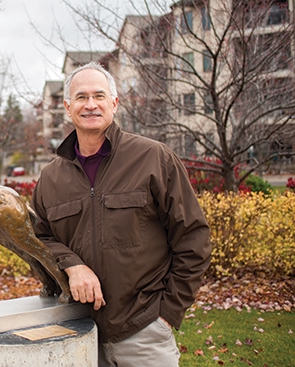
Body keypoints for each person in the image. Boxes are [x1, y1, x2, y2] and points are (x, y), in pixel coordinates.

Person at [32, 62, 211, 366]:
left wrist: (167, 313)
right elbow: (37, 239)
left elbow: (193, 237)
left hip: (144, 330)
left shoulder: (154, 158)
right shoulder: (50, 178)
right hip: (79, 333)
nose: (90, 105)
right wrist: (73, 266)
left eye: (99, 96)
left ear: (114, 103)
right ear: (67, 107)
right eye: (81, 97)